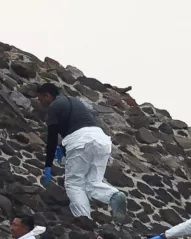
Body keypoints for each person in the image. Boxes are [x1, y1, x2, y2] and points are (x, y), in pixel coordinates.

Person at [36, 83, 128, 221]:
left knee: (74, 183)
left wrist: (48, 164)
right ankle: (113, 195)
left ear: (47, 95)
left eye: (40, 98)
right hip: (101, 140)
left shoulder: (54, 107)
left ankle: (84, 219)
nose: (40, 102)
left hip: (80, 141)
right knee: (92, 183)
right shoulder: (76, 102)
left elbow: (52, 137)